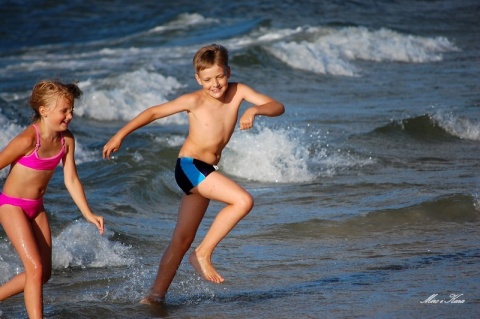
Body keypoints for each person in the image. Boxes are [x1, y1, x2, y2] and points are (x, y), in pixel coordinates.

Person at [103, 43, 284, 303]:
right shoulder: (194, 100)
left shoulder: (239, 91)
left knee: (182, 239)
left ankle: (155, 296)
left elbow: (277, 106)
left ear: (229, 72)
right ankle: (203, 254)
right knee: (243, 201)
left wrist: (255, 110)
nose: (215, 84)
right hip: (189, 167)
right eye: (208, 79)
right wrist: (120, 135)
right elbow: (154, 112)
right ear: (198, 79)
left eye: (219, 76)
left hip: (205, 169)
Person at [0, 80, 104, 318]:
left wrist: (88, 213)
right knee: (34, 269)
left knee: (43, 273)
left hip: (36, 209)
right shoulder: (28, 139)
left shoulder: (66, 140)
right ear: (44, 110)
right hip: (11, 206)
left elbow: (72, 180)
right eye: (64, 111)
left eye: (71, 110)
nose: (69, 116)